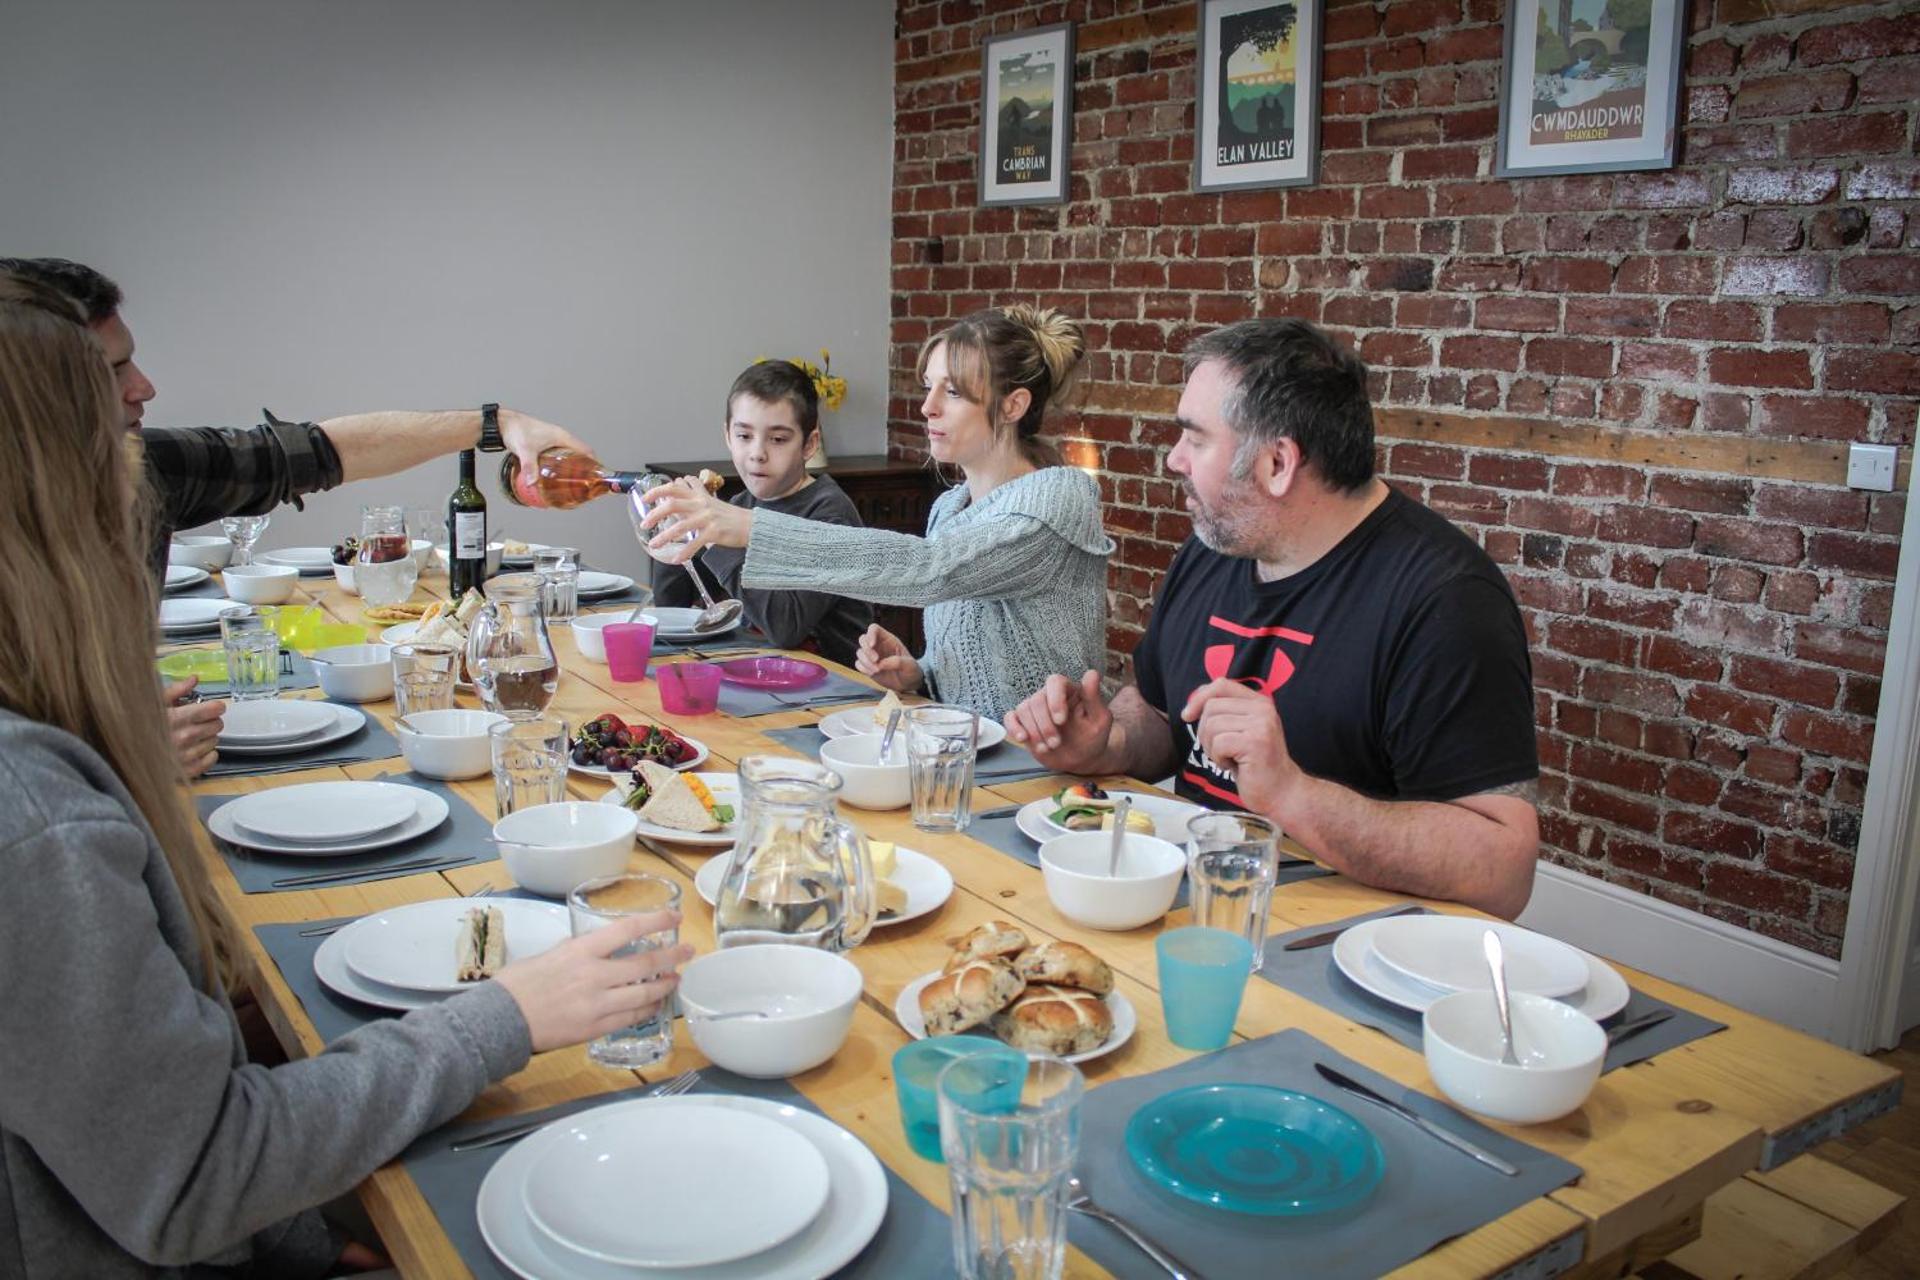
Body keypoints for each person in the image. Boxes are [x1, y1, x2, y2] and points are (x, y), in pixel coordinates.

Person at [0, 276, 694, 1277]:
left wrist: (302, 1226)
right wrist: (509, 1013)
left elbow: (145, 1123)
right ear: (53, 487)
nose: (143, 409)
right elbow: (197, 1175)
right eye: (110, 416)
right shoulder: (34, 818)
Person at [1004, 318, 1539, 918]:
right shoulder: (1215, 546)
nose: (1173, 459)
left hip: (1344, 943)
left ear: (1279, 462)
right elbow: (1160, 714)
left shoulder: (1444, 599)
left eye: (1195, 438)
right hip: (1198, 904)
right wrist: (1104, 744)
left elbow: (1504, 868)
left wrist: (1292, 794)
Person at [0, 257, 592, 777]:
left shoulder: (141, 466)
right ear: (37, 393)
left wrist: (497, 424)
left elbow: (324, 449)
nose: (144, 388)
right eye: (112, 372)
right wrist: (112, 750)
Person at [637, 304, 1114, 723]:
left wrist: (746, 528)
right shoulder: (953, 508)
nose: (927, 407)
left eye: (952, 392)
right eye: (929, 387)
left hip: (1044, 772)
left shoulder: (1052, 504)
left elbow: (933, 569)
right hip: (964, 752)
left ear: (1012, 406)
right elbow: (980, 658)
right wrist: (920, 673)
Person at [652, 360, 873, 666]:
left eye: (778, 439)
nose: (757, 453)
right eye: (744, 436)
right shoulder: (739, 504)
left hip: (833, 686)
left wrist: (716, 539)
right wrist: (675, 530)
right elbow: (671, 610)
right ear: (728, 436)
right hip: (754, 674)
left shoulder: (830, 513)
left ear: (809, 444)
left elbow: (785, 627)